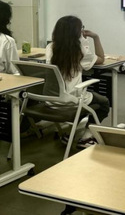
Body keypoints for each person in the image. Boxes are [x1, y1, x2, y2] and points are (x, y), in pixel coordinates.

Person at [46, 15, 110, 148]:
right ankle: (86, 137)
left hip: (51, 99)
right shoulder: (79, 50)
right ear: (76, 32)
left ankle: (70, 134)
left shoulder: (50, 47)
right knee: (104, 103)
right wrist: (95, 37)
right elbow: (101, 59)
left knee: (85, 107)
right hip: (71, 99)